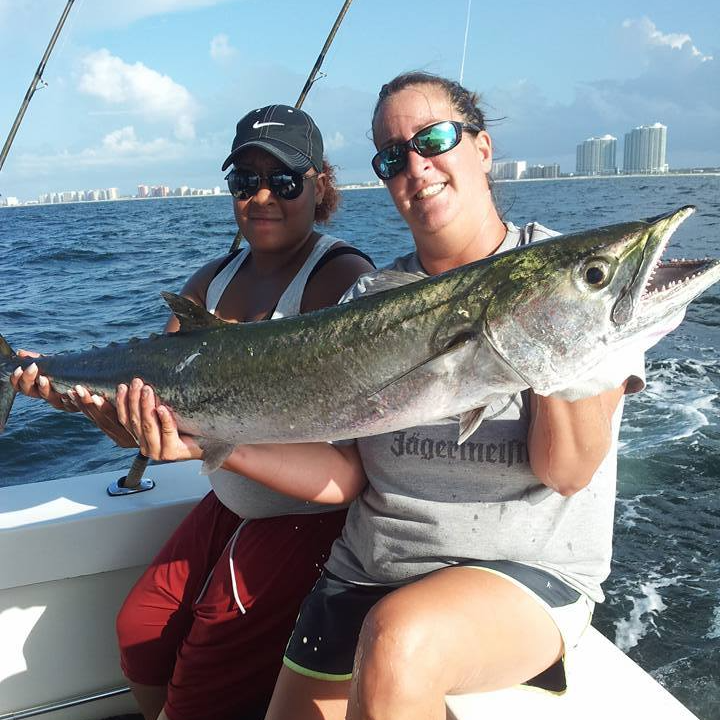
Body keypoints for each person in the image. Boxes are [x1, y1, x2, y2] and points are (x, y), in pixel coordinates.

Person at [104, 73, 646, 720]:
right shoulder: (372, 299)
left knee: (400, 641)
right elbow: (346, 474)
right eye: (392, 156)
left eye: (434, 138)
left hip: (519, 577)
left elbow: (567, 471)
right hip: (367, 572)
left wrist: (554, 334)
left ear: (482, 147)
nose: (415, 166)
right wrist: (207, 438)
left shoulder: (569, 274)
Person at [10, 104, 375, 720]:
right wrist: (76, 394)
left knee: (205, 671)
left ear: (320, 187)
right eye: (244, 181)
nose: (261, 196)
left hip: (303, 519)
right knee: (140, 636)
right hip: (228, 497)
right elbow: (153, 395)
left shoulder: (342, 279)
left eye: (282, 181)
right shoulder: (213, 277)